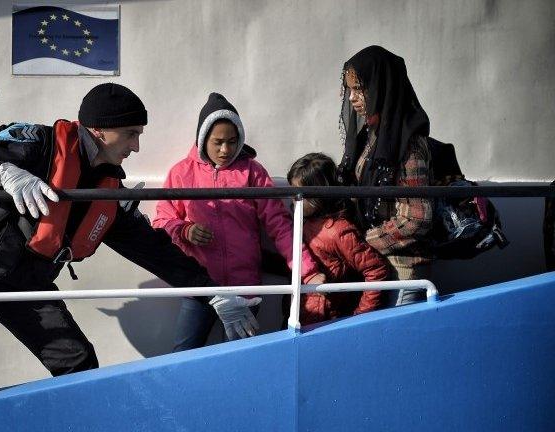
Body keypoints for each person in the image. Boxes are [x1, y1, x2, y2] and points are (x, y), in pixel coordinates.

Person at [0, 83, 254, 419]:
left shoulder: (107, 188)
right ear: (101, 130)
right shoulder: (35, 143)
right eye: (131, 134)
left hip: (24, 283)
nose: (136, 146)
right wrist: (2, 171)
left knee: (77, 364)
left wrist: (213, 293)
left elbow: (155, 251)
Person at [153, 92, 324, 351]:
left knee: (238, 359)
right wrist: (184, 230)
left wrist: (307, 272)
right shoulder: (181, 172)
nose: (225, 150)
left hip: (244, 289)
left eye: (232, 142)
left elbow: (280, 225)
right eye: (218, 142)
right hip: (199, 286)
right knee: (182, 355)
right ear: (202, 139)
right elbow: (162, 221)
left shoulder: (253, 172)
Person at [337, 46, 433, 306]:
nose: (352, 98)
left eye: (360, 89)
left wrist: (362, 242)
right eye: (350, 90)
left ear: (381, 87)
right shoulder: (371, 136)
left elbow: (416, 218)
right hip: (375, 268)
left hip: (402, 273)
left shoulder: (407, 143)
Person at [284, 153, 390, 326]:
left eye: (300, 195)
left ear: (318, 195)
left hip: (326, 321)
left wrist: (360, 317)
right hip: (301, 316)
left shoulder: (338, 231)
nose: (294, 200)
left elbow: (376, 270)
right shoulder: (305, 222)